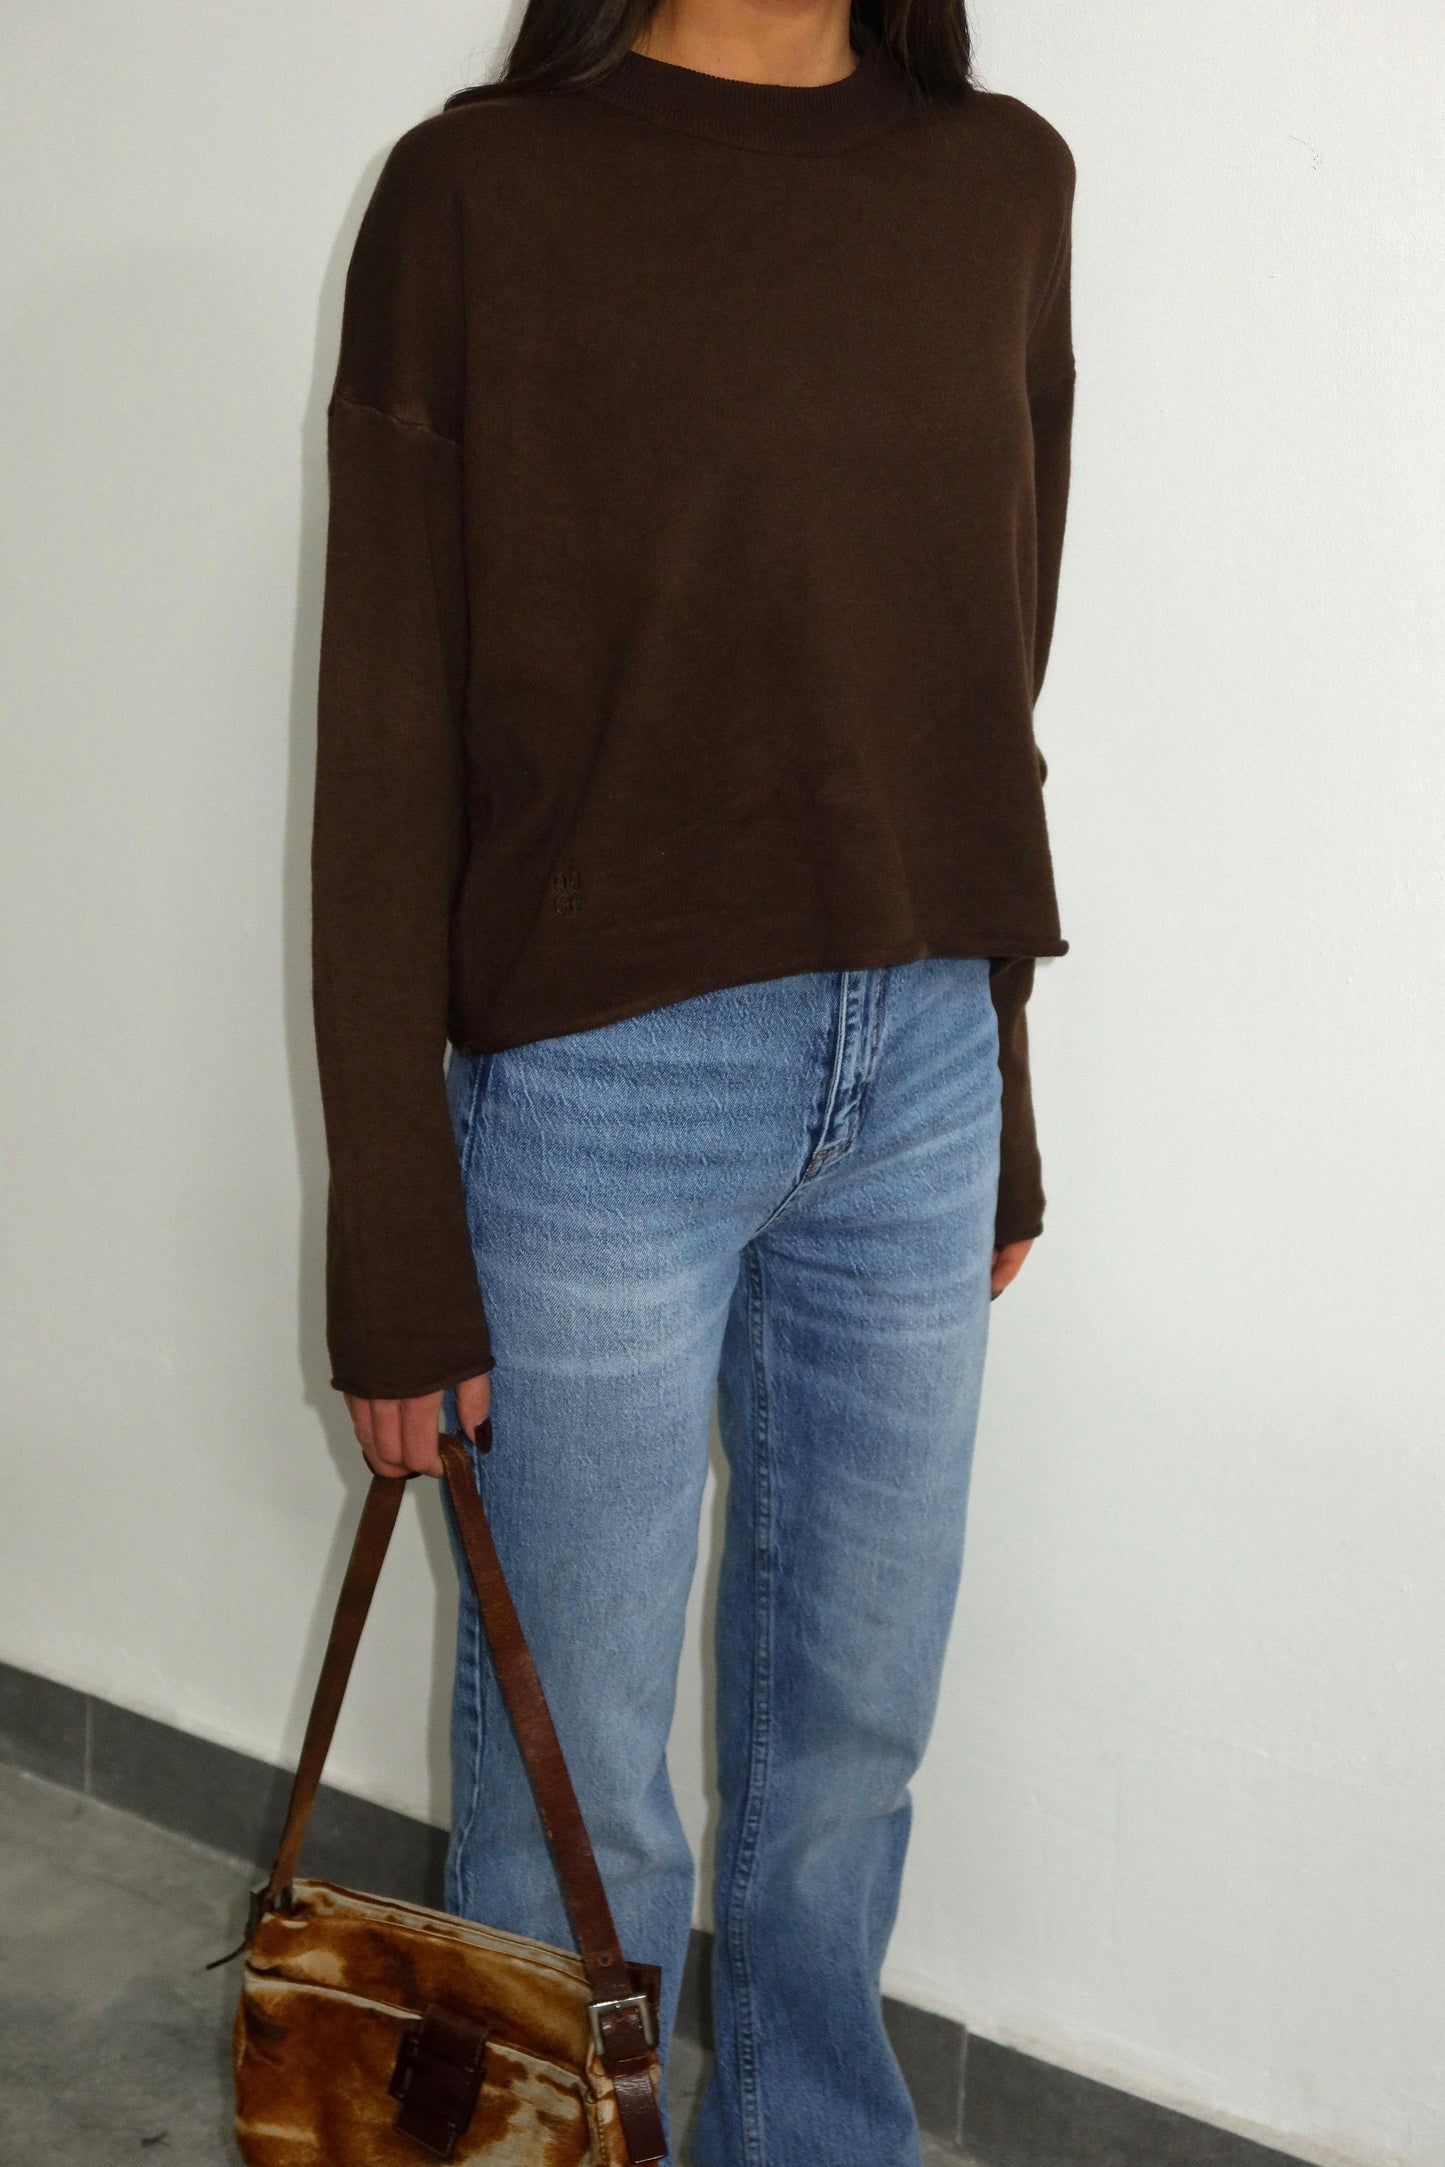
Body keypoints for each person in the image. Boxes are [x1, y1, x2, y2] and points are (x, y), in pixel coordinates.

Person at [309, 0, 1076, 2156]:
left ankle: (818, 2133)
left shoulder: (1000, 182)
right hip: (595, 1093)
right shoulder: (480, 193)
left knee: (848, 1747)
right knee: (575, 1793)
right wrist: (396, 1241)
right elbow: (384, 732)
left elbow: (982, 686)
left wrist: (1001, 1094)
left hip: (916, 1072)